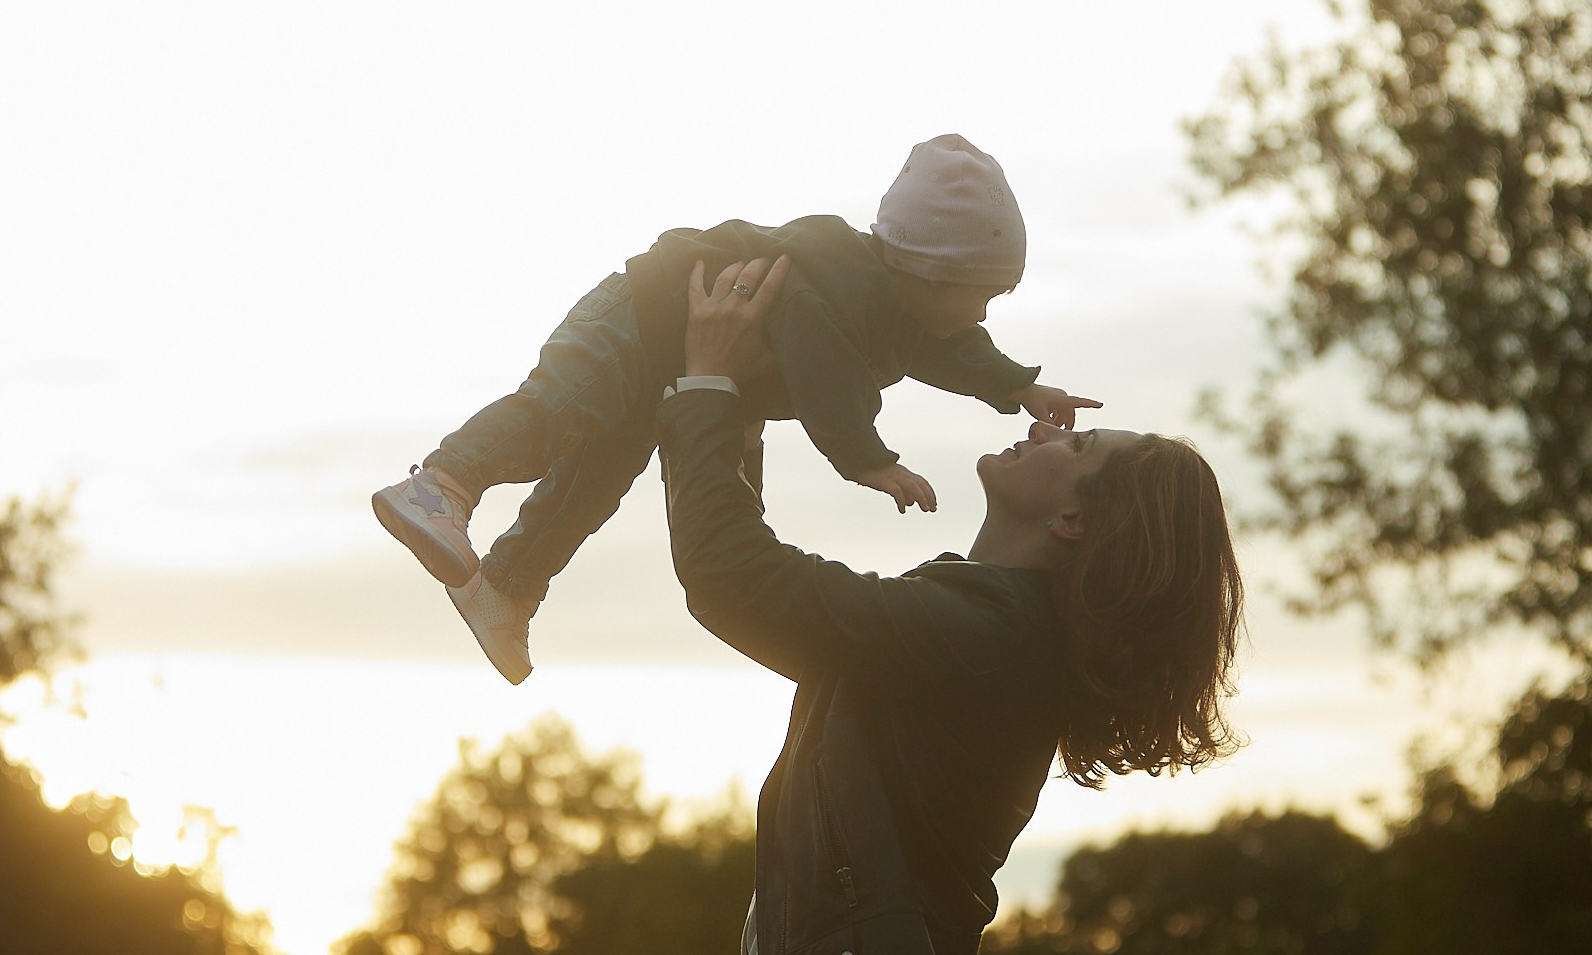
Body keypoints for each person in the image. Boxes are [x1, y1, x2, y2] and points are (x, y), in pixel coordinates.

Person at [659, 254, 1244, 955]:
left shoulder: (984, 634)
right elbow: (749, 576)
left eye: (1074, 444)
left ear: (1074, 519)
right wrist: (731, 405)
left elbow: (731, 576)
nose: (1046, 427)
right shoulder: (984, 628)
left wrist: (707, 383)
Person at [372, 135, 1096, 683]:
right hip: (635, 319)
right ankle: (442, 483)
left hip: (672, 369)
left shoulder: (910, 311)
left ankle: (505, 589)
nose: (984, 312)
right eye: (984, 294)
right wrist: (866, 458)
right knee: (553, 419)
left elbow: (954, 347)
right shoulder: (839, 281)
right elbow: (822, 363)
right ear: (932, 272)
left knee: (594, 484)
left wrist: (1019, 388)